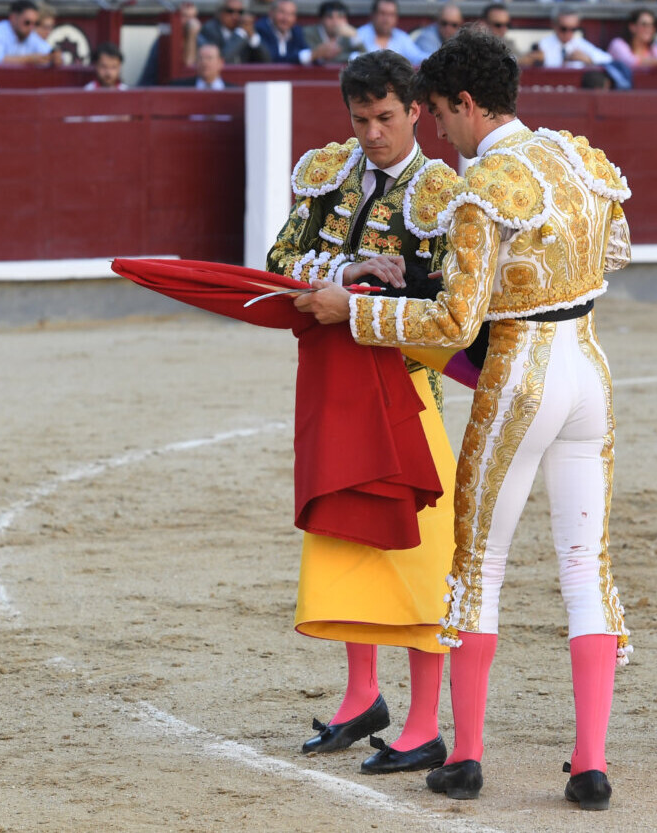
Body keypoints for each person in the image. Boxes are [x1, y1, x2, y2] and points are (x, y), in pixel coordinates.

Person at [296, 27, 633, 811]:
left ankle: (470, 755)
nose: (437, 133)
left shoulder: (485, 185)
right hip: (588, 363)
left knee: (477, 566)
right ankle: (590, 764)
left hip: (521, 375)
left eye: (440, 117)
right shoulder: (576, 157)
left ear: (465, 103)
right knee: (586, 569)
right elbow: (616, 247)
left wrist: (357, 312)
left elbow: (453, 325)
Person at [267, 48, 466, 776]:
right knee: (347, 534)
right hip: (333, 387)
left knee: (416, 552)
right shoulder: (329, 174)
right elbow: (278, 258)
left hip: (408, 391)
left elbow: (456, 305)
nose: (374, 133)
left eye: (387, 118)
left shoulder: (443, 190)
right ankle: (362, 695)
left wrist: (371, 297)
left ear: (416, 111)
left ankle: (422, 720)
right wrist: (343, 273)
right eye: (362, 119)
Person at [532, 9, 612, 69]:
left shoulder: (580, 44)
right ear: (555, 26)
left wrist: (588, 59)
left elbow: (608, 59)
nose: (568, 33)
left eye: (573, 29)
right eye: (564, 29)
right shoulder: (544, 44)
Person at [198, 0, 269, 65]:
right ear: (220, 13)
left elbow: (267, 61)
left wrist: (253, 37)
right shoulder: (210, 29)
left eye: (240, 12)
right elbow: (222, 60)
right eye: (230, 11)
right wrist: (240, 33)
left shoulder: (248, 28)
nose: (236, 16)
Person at [356, 0, 425, 66]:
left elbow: (417, 57)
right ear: (373, 15)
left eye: (391, 15)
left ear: (396, 18)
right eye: (382, 13)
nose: (387, 19)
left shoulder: (401, 37)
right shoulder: (359, 35)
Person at [0, 0, 53, 66]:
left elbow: (47, 52)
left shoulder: (31, 35)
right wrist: (30, 59)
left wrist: (54, 57)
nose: (31, 27)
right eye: (27, 22)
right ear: (13, 18)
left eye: (35, 24)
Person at [254, 0, 319, 65]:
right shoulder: (260, 29)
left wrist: (319, 54)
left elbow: (306, 51)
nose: (286, 19)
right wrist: (307, 56)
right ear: (271, 13)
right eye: (282, 12)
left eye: (291, 14)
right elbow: (272, 59)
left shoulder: (296, 31)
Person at [302, 1, 365, 67]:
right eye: (330, 17)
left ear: (346, 20)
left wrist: (355, 36)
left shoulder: (349, 35)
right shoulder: (309, 33)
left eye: (340, 17)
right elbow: (318, 57)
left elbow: (366, 58)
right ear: (321, 19)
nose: (335, 22)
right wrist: (351, 56)